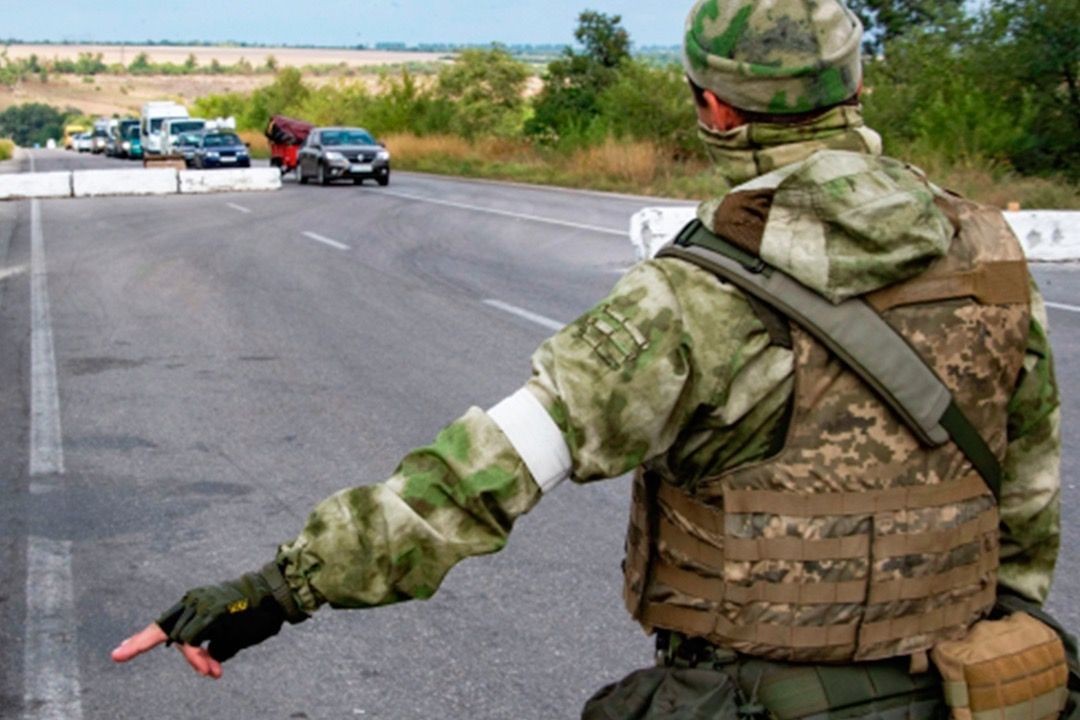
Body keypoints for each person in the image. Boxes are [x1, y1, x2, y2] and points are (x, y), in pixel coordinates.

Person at [114, 0, 1067, 717]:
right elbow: (1024, 487)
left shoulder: (692, 295)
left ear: (716, 109)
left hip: (751, 696)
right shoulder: (987, 248)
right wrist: (998, 643)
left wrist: (276, 592)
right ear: (856, 89)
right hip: (965, 688)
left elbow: (480, 478)